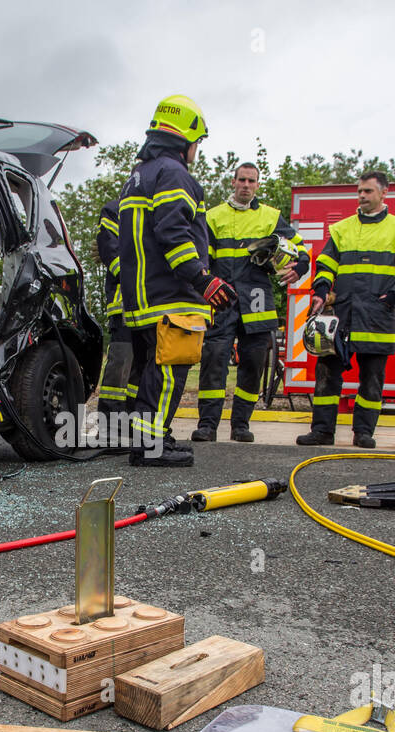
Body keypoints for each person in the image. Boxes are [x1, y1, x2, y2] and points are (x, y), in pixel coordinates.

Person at [118, 95, 235, 467]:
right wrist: (202, 280)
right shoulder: (174, 173)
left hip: (140, 296)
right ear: (187, 139)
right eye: (197, 142)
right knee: (170, 370)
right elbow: (173, 233)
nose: (197, 150)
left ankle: (143, 440)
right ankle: (152, 446)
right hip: (171, 295)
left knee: (148, 371)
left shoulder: (138, 176)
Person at [298, 171, 395, 447]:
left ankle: (364, 433)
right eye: (360, 191)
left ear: (383, 193)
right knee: (327, 374)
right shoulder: (342, 229)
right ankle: (322, 431)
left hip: (377, 317)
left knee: (372, 379)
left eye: (368, 191)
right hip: (342, 315)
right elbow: (326, 264)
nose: (362, 196)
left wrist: (392, 298)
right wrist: (320, 292)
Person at [192, 163, 309, 443]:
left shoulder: (271, 216)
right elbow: (202, 260)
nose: (246, 185)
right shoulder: (213, 216)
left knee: (254, 364)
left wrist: (301, 264)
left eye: (251, 181)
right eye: (242, 180)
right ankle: (207, 425)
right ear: (233, 182)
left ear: (258, 185)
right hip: (222, 300)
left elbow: (299, 246)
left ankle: (241, 424)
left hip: (257, 301)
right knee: (214, 362)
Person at [93, 195, 136, 449]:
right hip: (125, 302)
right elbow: (110, 250)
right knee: (120, 364)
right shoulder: (113, 210)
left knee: (142, 370)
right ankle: (109, 428)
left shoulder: (155, 209)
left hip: (152, 302)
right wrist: (137, 278)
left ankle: (134, 425)